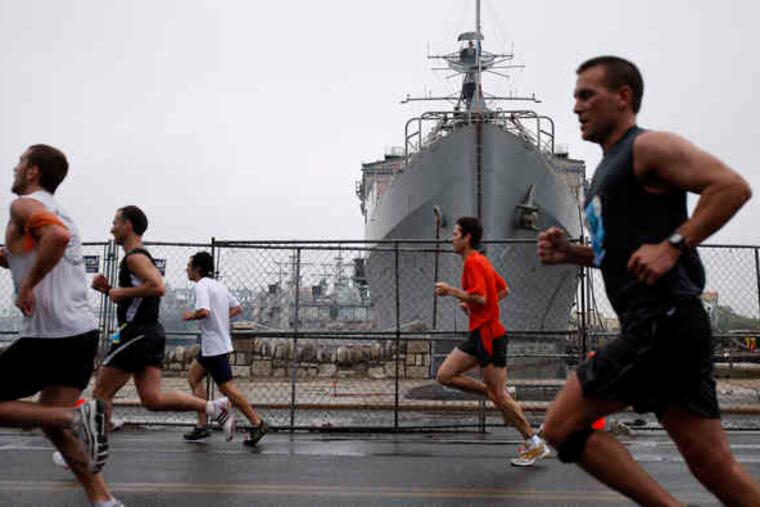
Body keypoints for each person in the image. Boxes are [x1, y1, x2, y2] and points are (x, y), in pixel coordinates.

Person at [538, 56, 760, 506]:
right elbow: (623, 255)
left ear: (624, 97)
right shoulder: (604, 172)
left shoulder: (648, 147)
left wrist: (674, 244)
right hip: (673, 326)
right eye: (574, 97)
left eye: (587, 95)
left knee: (561, 427)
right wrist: (572, 254)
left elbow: (731, 187)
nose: (576, 106)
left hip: (661, 322)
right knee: (714, 468)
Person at [0, 145, 117, 506]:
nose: (15, 168)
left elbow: (56, 238)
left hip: (50, 337)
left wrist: (30, 285)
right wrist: (15, 264)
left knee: (59, 419)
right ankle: (103, 500)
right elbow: (41, 249)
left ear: (33, 171)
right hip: (79, 335)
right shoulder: (60, 210)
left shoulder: (25, 206)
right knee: (53, 426)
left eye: (20, 163)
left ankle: (77, 415)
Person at [90, 206, 236, 442]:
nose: (112, 228)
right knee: (152, 399)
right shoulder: (137, 257)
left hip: (136, 333)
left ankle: (86, 452)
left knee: (100, 392)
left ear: (128, 225)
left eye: (115, 223)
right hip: (148, 333)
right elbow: (136, 295)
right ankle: (214, 408)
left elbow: (157, 287)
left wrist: (118, 291)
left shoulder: (135, 257)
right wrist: (109, 290)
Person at [434, 216, 549, 467]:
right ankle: (497, 392)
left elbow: (483, 299)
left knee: (500, 398)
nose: (451, 238)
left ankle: (533, 442)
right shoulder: (480, 261)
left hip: (489, 336)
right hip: (478, 333)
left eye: (455, 234)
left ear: (467, 238)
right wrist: (471, 305)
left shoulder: (474, 263)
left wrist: (451, 291)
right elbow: (503, 290)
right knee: (445, 375)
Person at [182, 251, 269, 446]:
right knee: (194, 378)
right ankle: (202, 425)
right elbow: (237, 307)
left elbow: (204, 311)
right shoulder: (218, 286)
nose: (186, 269)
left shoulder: (201, 286)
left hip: (214, 346)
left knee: (226, 388)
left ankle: (257, 422)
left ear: (197, 269)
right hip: (214, 344)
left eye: (189, 265)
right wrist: (220, 318)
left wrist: (190, 316)